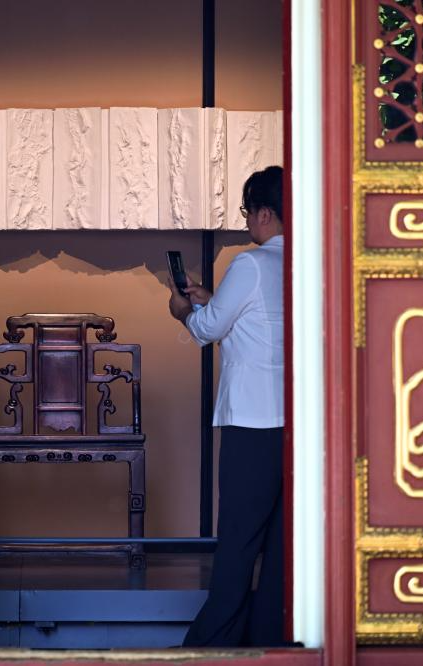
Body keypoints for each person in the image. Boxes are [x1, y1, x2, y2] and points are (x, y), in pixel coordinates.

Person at [167, 165, 285, 647]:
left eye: (247, 212)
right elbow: (254, 323)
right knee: (280, 547)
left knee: (238, 541)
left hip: (251, 424)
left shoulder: (251, 264)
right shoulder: (305, 263)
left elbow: (207, 329)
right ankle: (271, 640)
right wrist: (213, 301)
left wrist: (184, 311)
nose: (247, 221)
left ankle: (211, 646)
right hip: (294, 424)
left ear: (264, 213)